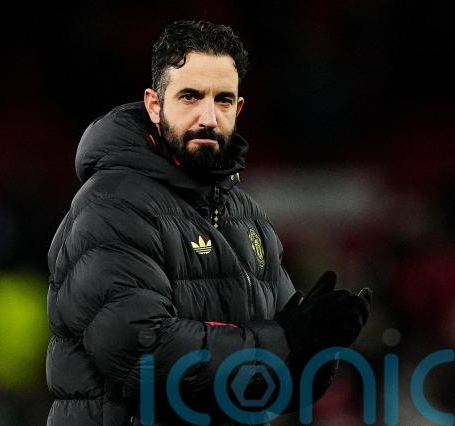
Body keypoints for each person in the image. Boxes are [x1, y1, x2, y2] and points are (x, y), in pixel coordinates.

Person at [46, 20, 372, 425]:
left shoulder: (247, 215)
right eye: (190, 96)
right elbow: (142, 354)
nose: (208, 117)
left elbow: (273, 385)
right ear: (154, 105)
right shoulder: (112, 205)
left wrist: (318, 346)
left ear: (238, 109)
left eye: (223, 100)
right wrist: (286, 339)